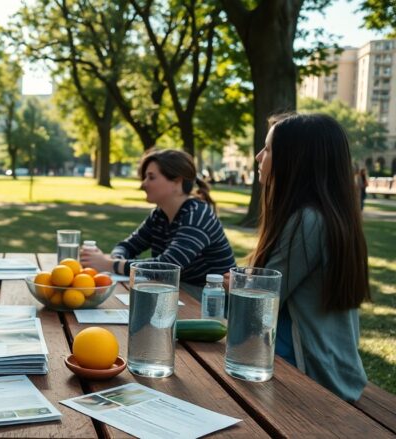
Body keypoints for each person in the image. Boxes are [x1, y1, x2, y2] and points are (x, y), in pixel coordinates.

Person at [248, 113, 369, 402]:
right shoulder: (328, 215)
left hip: (314, 380)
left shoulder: (308, 221)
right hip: (334, 372)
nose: (258, 156)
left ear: (295, 160)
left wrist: (238, 284)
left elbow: (260, 301)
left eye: (268, 149)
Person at [80, 149, 235, 297]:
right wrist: (116, 259)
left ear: (177, 182)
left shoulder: (198, 214)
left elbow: (168, 267)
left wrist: (109, 265)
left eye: (151, 177)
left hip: (211, 300)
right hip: (180, 292)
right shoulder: (159, 215)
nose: (143, 184)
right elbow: (128, 245)